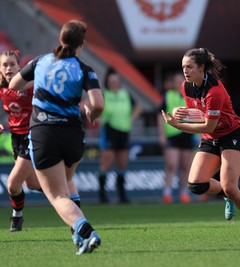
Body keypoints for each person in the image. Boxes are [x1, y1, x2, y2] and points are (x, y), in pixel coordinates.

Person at [9, 20, 103, 254]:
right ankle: (78, 236)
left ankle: (85, 231)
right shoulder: (85, 69)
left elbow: (14, 84)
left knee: (58, 196)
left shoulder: (40, 61)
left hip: (44, 134)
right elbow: (98, 105)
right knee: (66, 185)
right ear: (82, 44)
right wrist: (91, 112)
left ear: (60, 39)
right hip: (73, 136)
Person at [161, 47, 240, 237]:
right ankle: (228, 196)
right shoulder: (186, 87)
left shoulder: (215, 90)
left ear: (201, 68)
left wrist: (179, 125)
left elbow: (208, 126)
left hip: (231, 134)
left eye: (189, 67)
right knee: (196, 185)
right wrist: (185, 114)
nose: (185, 71)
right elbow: (199, 114)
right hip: (212, 138)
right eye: (183, 67)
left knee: (230, 187)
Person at [0, 50, 81, 232]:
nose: (9, 68)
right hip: (16, 138)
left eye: (12, 64)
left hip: (33, 135)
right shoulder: (2, 87)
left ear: (20, 66)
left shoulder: (27, 85)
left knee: (12, 183)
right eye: (4, 65)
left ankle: (17, 218)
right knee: (33, 184)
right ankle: (70, 199)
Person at [97, 69, 142, 204]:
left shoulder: (125, 94)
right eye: (111, 81)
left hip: (123, 131)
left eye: (116, 81)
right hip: (110, 130)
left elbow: (138, 107)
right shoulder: (104, 94)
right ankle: (102, 194)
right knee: (107, 163)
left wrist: (131, 119)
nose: (114, 83)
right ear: (107, 82)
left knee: (122, 163)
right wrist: (99, 119)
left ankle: (122, 195)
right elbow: (92, 106)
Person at [157, 72, 195, 204]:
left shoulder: (190, 96)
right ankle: (167, 192)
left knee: (185, 166)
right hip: (172, 135)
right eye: (176, 81)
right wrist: (162, 135)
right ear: (172, 83)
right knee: (172, 164)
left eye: (181, 80)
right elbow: (159, 116)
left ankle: (184, 193)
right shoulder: (167, 96)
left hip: (187, 134)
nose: (179, 83)